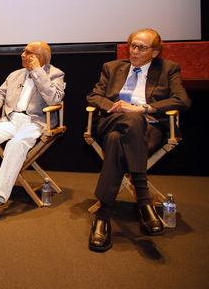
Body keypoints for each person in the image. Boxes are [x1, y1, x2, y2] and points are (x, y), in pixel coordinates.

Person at [86, 28, 191, 252]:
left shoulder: (168, 69)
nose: (134, 51)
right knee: (129, 122)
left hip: (150, 128)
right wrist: (115, 109)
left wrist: (142, 108)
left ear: (155, 52)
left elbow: (182, 100)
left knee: (117, 140)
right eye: (132, 45)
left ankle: (102, 218)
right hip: (112, 120)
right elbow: (94, 96)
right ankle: (143, 199)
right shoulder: (112, 67)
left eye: (142, 48)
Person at [0, 41, 64, 225]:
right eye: (23, 51)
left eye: (28, 52)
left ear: (40, 57)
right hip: (12, 119)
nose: (22, 54)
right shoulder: (15, 75)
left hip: (35, 122)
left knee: (16, 144)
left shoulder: (55, 74)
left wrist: (38, 72)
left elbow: (54, 98)